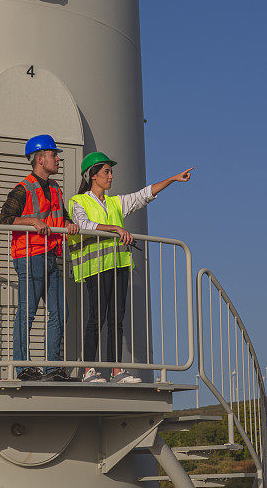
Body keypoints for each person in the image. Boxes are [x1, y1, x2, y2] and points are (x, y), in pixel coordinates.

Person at [68, 151, 193, 383]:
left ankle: (116, 371)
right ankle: (89, 370)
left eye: (111, 172)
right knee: (97, 318)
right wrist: (116, 229)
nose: (111, 176)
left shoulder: (115, 202)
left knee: (117, 318)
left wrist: (172, 179)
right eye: (107, 171)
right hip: (96, 267)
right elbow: (84, 225)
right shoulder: (78, 201)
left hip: (119, 265)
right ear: (93, 176)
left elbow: (143, 195)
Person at [0, 134, 79, 381]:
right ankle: (23, 367)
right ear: (40, 159)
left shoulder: (54, 188)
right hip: (30, 256)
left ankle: (52, 366)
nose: (58, 159)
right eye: (54, 155)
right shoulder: (23, 189)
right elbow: (4, 220)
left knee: (59, 312)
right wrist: (31, 221)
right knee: (28, 311)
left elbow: (61, 216)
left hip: (50, 256)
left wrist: (69, 224)